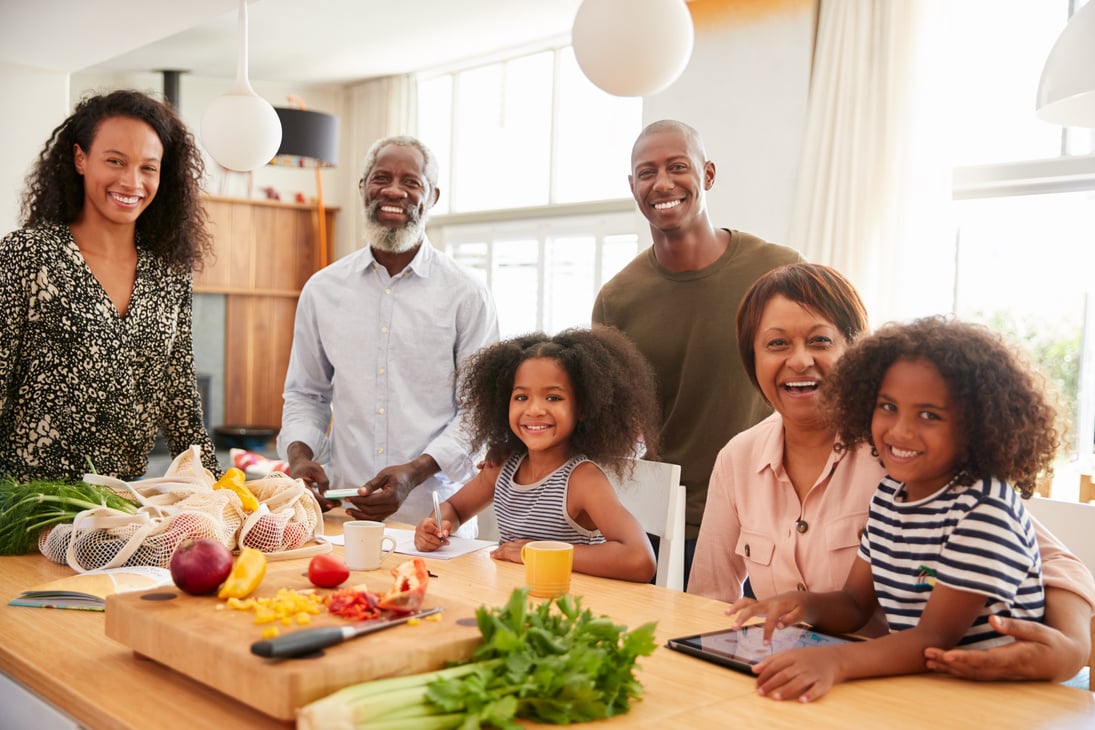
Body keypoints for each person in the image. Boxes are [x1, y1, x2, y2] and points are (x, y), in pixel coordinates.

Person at [689, 262, 1093, 684]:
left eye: (820, 340)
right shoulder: (740, 457)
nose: (800, 360)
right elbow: (711, 598)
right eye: (776, 344)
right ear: (751, 359)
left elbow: (1054, 562)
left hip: (921, 685)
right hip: (810, 678)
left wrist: (1072, 645)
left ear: (853, 352)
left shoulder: (910, 462)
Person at [729, 316, 1059, 702]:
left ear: (977, 425)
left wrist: (834, 662)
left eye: (929, 415)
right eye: (888, 406)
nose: (900, 431)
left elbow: (934, 638)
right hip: (926, 688)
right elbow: (854, 604)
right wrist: (801, 605)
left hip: (999, 700)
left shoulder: (983, 509)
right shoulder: (890, 495)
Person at [592, 119, 802, 581]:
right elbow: (611, 420)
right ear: (633, 186)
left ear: (707, 175)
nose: (662, 182)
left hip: (770, 512)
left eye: (677, 167)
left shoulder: (777, 270)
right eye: (647, 172)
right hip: (667, 521)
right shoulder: (617, 298)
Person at [278, 135, 499, 534]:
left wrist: (414, 473)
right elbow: (306, 395)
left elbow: (478, 414)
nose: (393, 191)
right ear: (363, 188)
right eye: (381, 178)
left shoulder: (467, 294)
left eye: (411, 182)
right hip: (343, 516)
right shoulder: (322, 290)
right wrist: (300, 457)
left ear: (432, 196)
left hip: (437, 518)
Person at [0, 89, 218, 481]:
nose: (131, 181)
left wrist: (222, 490)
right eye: (115, 161)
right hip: (26, 506)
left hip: (119, 509)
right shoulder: (27, 255)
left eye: (148, 168)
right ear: (80, 158)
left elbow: (179, 397)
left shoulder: (168, 272)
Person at [413, 326, 660, 582]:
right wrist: (438, 525)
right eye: (521, 397)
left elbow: (639, 559)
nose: (535, 409)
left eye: (553, 398)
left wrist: (537, 552)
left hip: (568, 608)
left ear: (583, 408)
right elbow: (454, 507)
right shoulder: (504, 466)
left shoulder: (582, 479)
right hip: (515, 602)